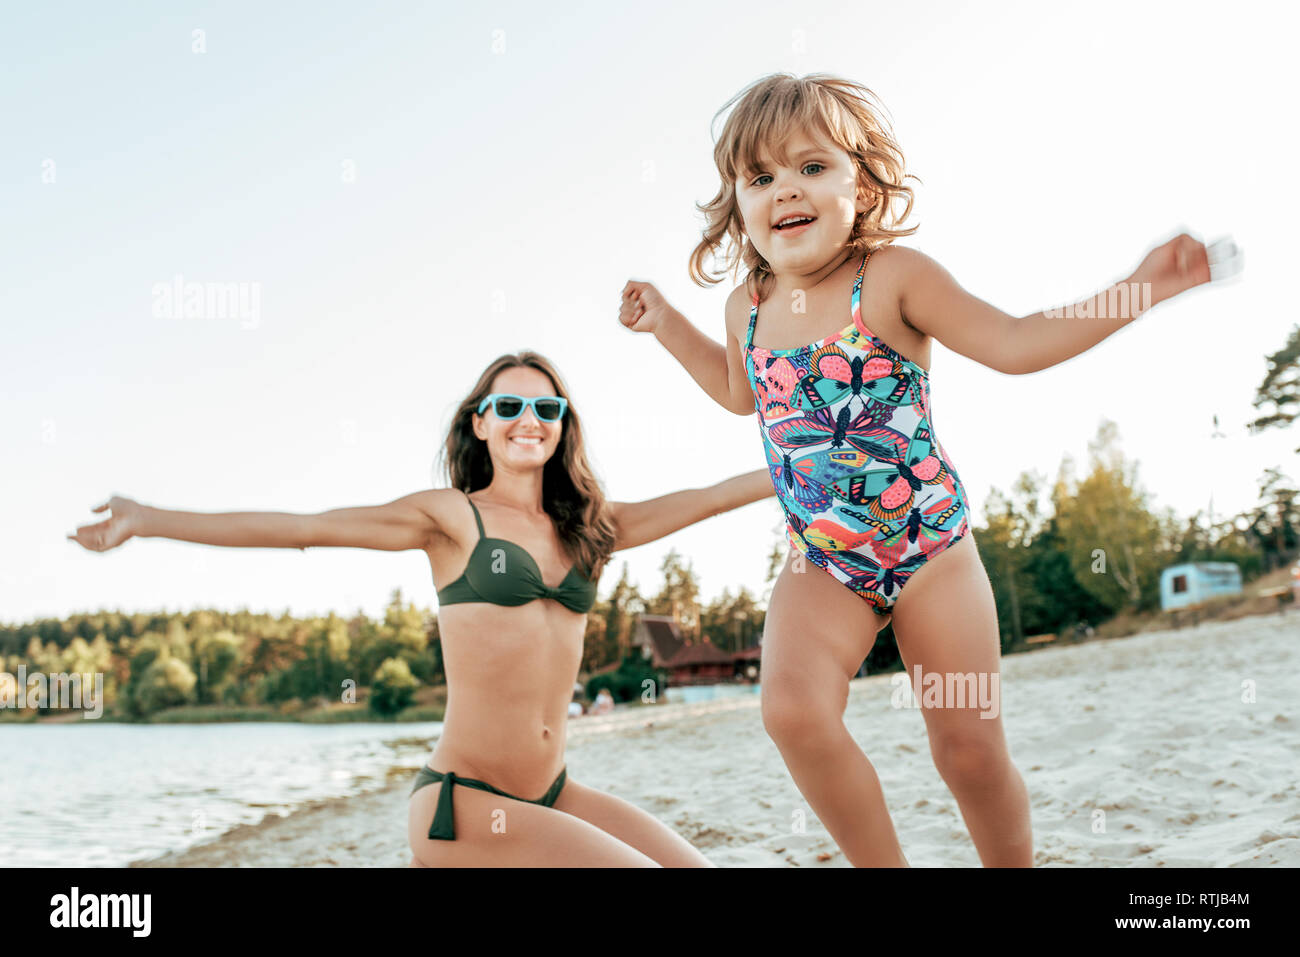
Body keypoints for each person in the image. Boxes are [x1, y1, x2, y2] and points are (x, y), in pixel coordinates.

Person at [619, 72, 1215, 866]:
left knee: (965, 748)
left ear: (859, 186)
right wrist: (665, 324)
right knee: (793, 712)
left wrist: (1138, 289)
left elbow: (1014, 342)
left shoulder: (892, 278)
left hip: (930, 550)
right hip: (824, 560)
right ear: (739, 203)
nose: (784, 190)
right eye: (760, 177)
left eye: (810, 167)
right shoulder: (747, 307)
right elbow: (741, 395)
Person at [68, 351, 776, 867]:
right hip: (461, 803)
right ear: (480, 422)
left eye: (547, 408)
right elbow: (304, 525)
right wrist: (150, 518)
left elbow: (711, 495)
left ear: (564, 425)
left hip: (550, 793)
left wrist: (803, 462)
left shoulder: (590, 526)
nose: (529, 419)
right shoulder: (451, 519)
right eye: (510, 405)